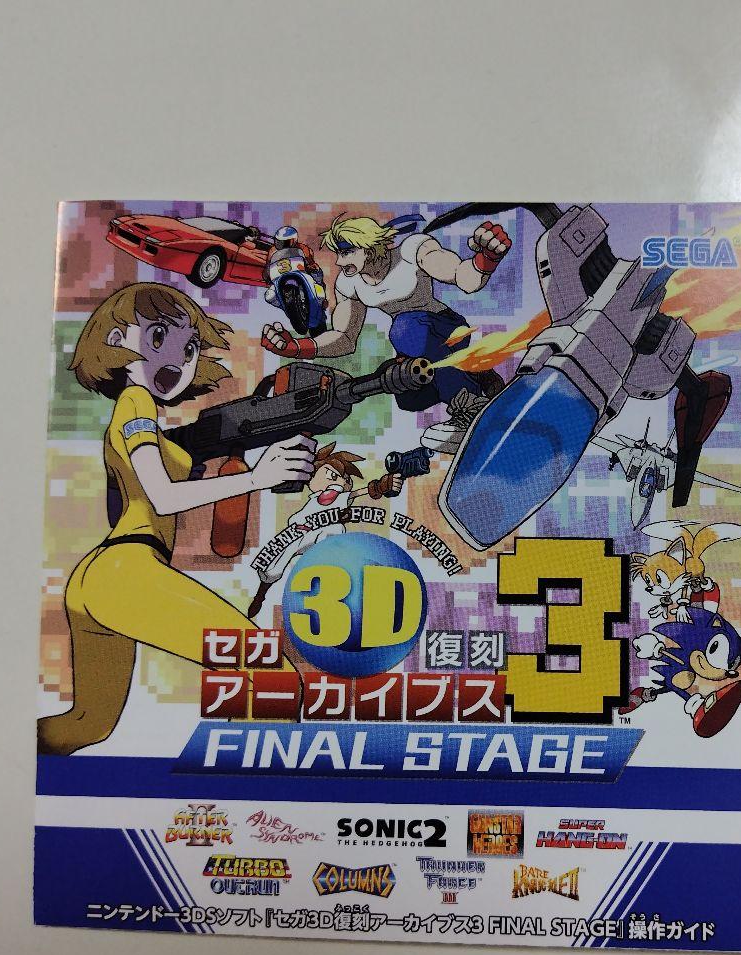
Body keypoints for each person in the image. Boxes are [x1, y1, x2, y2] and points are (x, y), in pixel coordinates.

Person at [37, 283, 316, 755]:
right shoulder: (136, 402)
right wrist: (258, 478)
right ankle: (233, 794)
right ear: (116, 340)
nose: (178, 359)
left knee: (86, 727)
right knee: (273, 680)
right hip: (124, 573)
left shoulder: (152, 427)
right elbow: (164, 497)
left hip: (99, 578)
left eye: (190, 349)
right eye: (158, 336)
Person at [261, 214, 512, 452]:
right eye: (338, 254)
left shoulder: (412, 251)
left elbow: (463, 277)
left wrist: (487, 258)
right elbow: (344, 338)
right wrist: (297, 347)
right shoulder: (349, 283)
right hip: (413, 343)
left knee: (404, 328)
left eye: (346, 252)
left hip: (446, 328)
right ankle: (477, 374)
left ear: (370, 247)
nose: (339, 262)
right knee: (408, 396)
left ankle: (470, 406)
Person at [247, 442, 402, 618]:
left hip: (321, 533)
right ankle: (260, 596)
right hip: (297, 532)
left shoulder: (339, 496)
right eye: (329, 475)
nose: (335, 481)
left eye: (341, 478)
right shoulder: (314, 497)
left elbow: (357, 493)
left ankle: (326, 590)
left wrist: (379, 487)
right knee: (273, 566)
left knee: (333, 533)